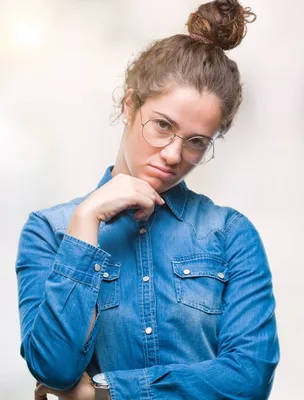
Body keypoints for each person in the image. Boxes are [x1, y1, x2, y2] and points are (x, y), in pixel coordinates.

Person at [15, 1, 280, 399]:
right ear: (129, 105)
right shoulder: (50, 231)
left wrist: (103, 393)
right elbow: (52, 367)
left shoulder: (230, 236)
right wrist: (86, 221)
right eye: (162, 125)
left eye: (196, 142)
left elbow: (248, 378)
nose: (174, 155)